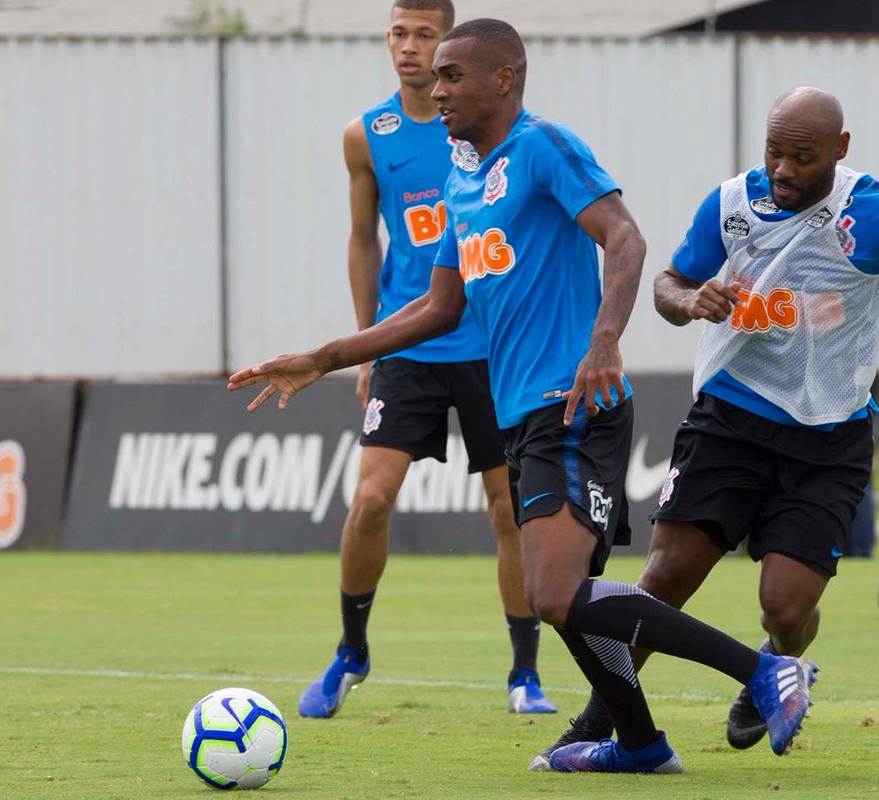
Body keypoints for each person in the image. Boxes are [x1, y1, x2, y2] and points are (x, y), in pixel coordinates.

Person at [230, 19, 815, 774]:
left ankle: (765, 673)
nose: (435, 90)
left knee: (554, 590)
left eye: (451, 76)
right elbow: (438, 309)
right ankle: (638, 742)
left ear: (503, 79)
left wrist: (603, 342)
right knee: (568, 595)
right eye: (433, 76)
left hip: (572, 402)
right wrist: (325, 355)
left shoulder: (542, 147)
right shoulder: (461, 177)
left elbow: (626, 239)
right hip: (524, 414)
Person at [534, 86, 879, 758]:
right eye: (775, 151)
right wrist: (692, 299)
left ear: (840, 150)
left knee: (787, 606)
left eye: (802, 157)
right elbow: (665, 286)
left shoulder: (878, 214)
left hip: (830, 437)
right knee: (664, 578)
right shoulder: (730, 205)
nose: (783, 169)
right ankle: (603, 721)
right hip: (731, 421)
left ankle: (774, 664)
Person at [295, 0, 556, 720]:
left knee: (507, 511)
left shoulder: (485, 130)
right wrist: (363, 346)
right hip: (408, 341)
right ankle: (351, 650)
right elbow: (361, 239)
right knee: (371, 498)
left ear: (451, 46)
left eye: (424, 36)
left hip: (488, 348)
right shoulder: (367, 136)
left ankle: (524, 673)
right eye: (398, 34)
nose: (409, 50)